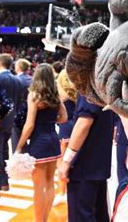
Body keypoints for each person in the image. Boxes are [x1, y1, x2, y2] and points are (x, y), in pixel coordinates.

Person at [16, 63, 67, 222]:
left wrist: (19, 146)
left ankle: (39, 220)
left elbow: (29, 124)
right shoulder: (56, 95)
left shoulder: (34, 95)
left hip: (39, 142)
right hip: (53, 140)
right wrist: (51, 120)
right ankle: (43, 219)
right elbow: (64, 118)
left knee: (38, 186)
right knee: (50, 182)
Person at [58, 94, 115, 222]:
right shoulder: (104, 86)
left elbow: (84, 122)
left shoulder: (89, 87)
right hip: (99, 163)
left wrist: (66, 160)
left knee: (81, 215)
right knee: (99, 213)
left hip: (84, 165)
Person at [0, 54, 26, 198]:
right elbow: (22, 102)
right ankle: (4, 182)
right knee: (4, 151)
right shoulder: (18, 80)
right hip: (10, 121)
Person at [54, 70, 78, 206]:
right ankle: (69, 193)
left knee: (62, 164)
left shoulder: (60, 94)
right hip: (77, 128)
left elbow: (58, 115)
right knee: (74, 162)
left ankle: (61, 193)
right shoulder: (80, 92)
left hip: (65, 130)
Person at [11, 58, 33, 152]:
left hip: (18, 114)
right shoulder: (33, 79)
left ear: (19, 67)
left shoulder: (15, 80)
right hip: (33, 113)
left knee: (17, 143)